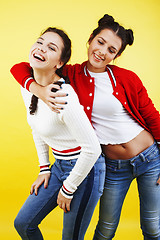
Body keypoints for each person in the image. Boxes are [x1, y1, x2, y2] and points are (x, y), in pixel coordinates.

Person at [10, 14, 160, 240]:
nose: (102, 51)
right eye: (100, 42)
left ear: (116, 56)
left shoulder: (127, 78)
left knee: (152, 227)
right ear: (90, 40)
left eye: (111, 50)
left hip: (149, 159)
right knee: (106, 228)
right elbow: (23, 67)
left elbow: (151, 116)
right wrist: (36, 89)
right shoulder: (70, 74)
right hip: (113, 166)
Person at [12, 27, 106, 240]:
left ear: (59, 63)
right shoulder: (28, 86)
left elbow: (92, 149)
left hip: (86, 170)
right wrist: (44, 168)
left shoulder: (63, 97)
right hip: (60, 166)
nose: (41, 48)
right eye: (40, 42)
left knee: (70, 237)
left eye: (51, 48)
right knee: (23, 224)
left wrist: (68, 188)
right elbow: (36, 126)